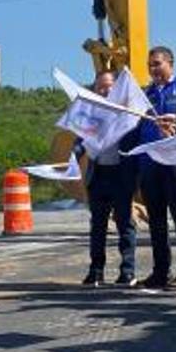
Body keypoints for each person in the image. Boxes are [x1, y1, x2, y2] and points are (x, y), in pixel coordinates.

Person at [76, 70, 139, 288]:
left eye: (109, 87)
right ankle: (96, 271)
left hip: (121, 175)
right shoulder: (90, 114)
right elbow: (80, 141)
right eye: (100, 87)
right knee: (98, 226)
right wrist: (73, 155)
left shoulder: (127, 114)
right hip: (98, 174)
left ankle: (128, 271)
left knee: (125, 224)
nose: (104, 91)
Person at [139, 46, 176, 290]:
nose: (153, 69)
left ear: (170, 63)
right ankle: (161, 271)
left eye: (158, 64)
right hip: (150, 164)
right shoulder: (144, 94)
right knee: (157, 221)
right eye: (150, 65)